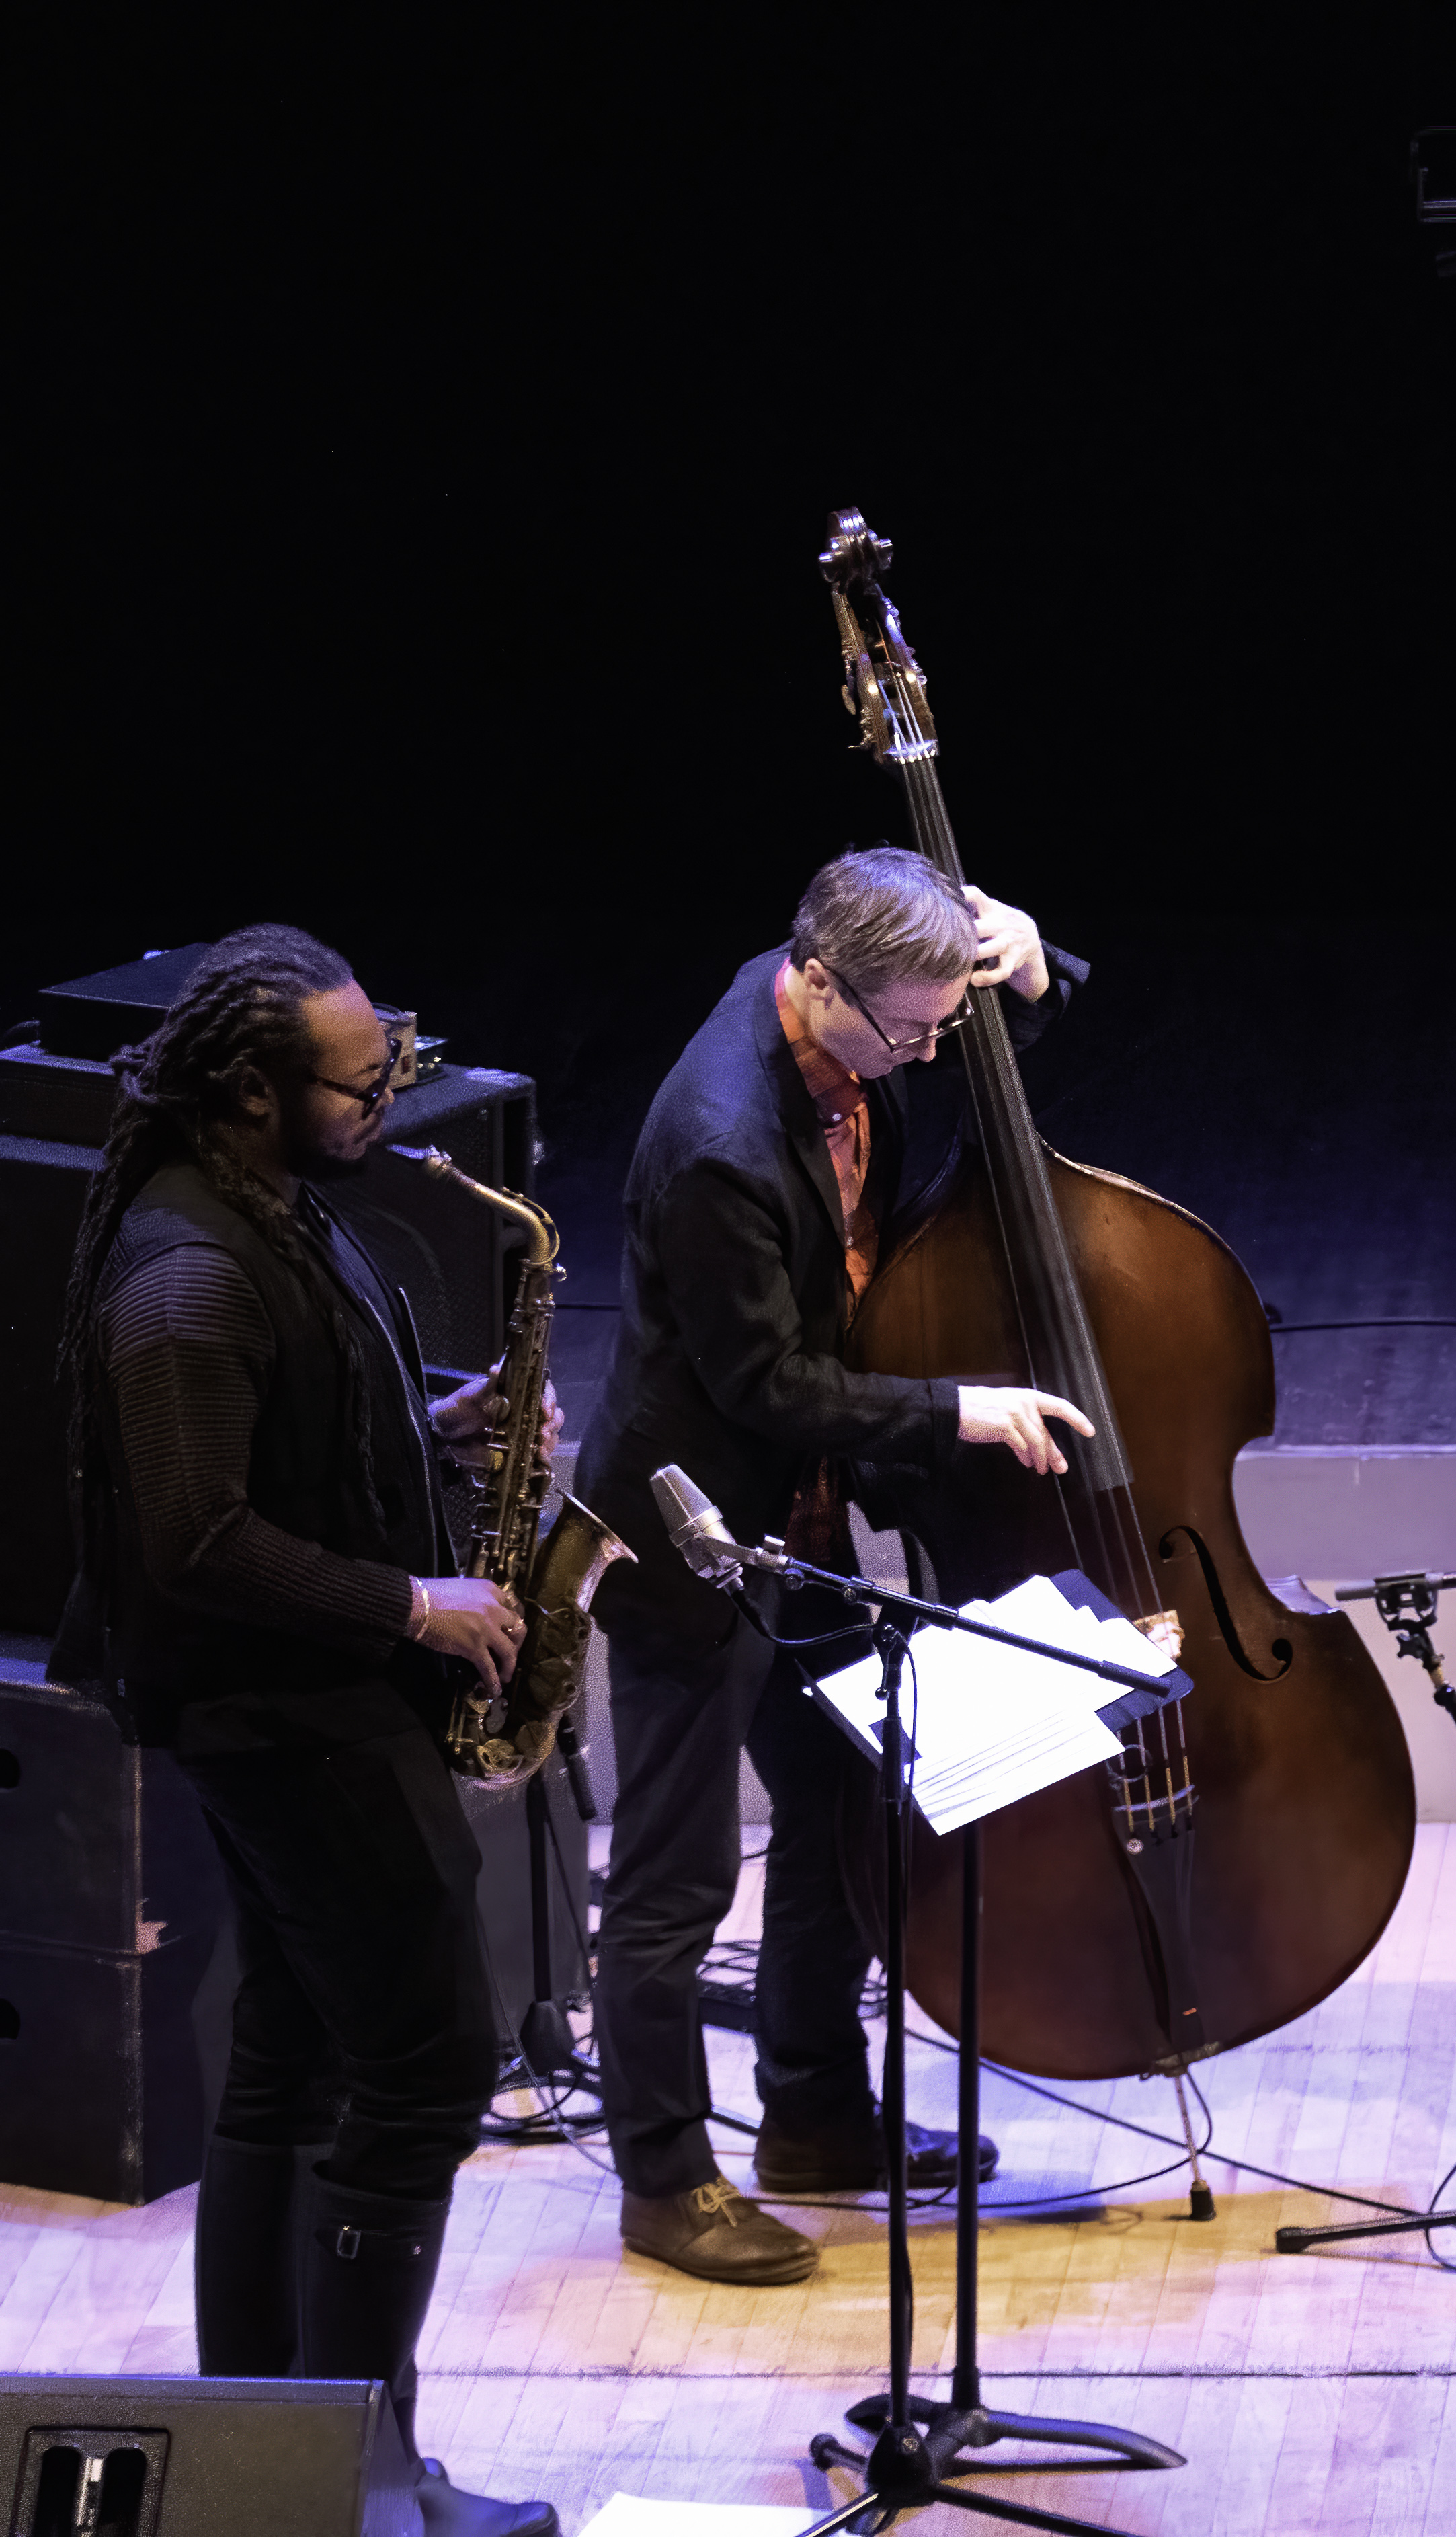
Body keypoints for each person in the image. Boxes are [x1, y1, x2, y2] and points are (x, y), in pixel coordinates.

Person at [52, 925, 559, 2536]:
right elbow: (196, 1536)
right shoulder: (188, 1271)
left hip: (307, 1705)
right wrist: (416, 1606)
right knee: (425, 2065)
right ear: (257, 1092)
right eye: (362, 1082)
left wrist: (440, 1422)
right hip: (291, 1720)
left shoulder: (274, 1208)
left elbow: (282, 1451)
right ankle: (356, 2474)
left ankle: (264, 2466)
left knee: (291, 2060)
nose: (392, 1103)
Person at [574, 848, 1091, 2284]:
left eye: (941, 1025)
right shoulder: (723, 1143)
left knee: (845, 1803)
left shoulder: (857, 1018)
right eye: (916, 1032)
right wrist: (958, 1412)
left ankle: (811, 2118)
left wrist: (1036, 977)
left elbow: (972, 1040)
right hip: (692, 1533)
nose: (932, 1051)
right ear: (819, 982)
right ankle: (664, 2183)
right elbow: (769, 1388)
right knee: (672, 1886)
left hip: (791, 1521)